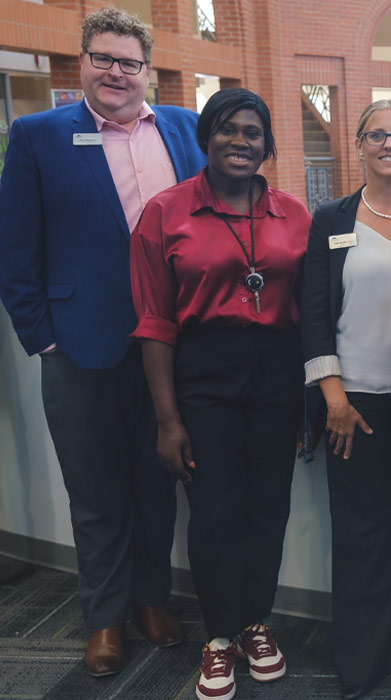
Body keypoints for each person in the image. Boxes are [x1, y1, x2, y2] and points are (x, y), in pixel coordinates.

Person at [0, 6, 204, 677]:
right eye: (102, 58)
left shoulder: (181, 127)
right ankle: (104, 618)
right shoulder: (38, 136)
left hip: (171, 346)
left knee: (155, 481)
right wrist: (43, 339)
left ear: (149, 71)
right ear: (83, 62)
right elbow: (15, 249)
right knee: (95, 491)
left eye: (129, 61)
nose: (115, 71)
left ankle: (151, 599)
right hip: (79, 348)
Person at [129, 88, 310, 700]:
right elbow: (154, 320)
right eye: (229, 129)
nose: (241, 141)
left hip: (279, 374)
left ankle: (256, 622)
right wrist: (166, 419)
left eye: (253, 132)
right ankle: (218, 635)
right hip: (202, 374)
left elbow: (313, 311)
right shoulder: (166, 212)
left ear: (268, 145)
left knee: (268, 507)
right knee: (214, 513)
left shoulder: (294, 214)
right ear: (206, 137)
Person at [300, 99, 391, 698]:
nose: (390, 143)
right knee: (361, 533)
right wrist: (332, 394)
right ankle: (362, 657)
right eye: (378, 134)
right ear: (358, 144)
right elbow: (312, 313)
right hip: (350, 402)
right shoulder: (330, 218)